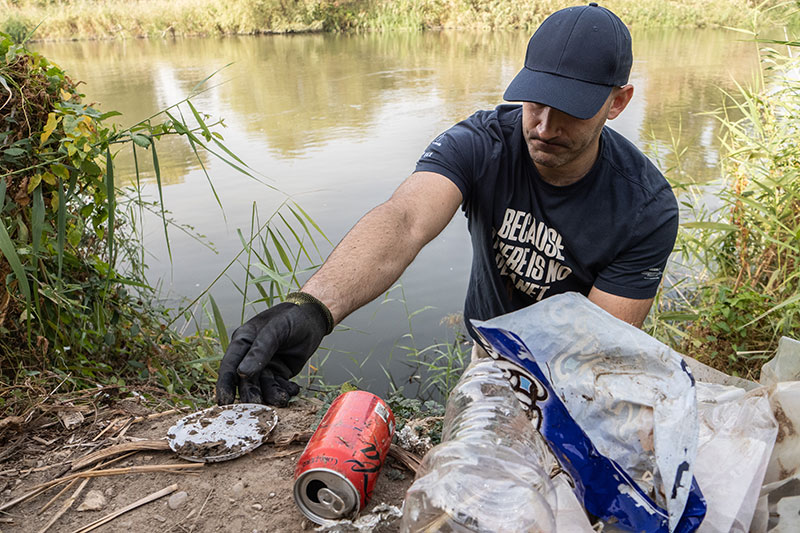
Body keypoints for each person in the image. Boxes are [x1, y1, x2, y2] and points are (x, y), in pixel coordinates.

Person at [216, 3, 679, 407]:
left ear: (617, 102)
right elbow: (404, 220)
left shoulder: (645, 208)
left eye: (571, 108)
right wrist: (314, 307)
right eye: (535, 101)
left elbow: (596, 349)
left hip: (572, 365)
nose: (544, 126)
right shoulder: (483, 143)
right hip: (488, 351)